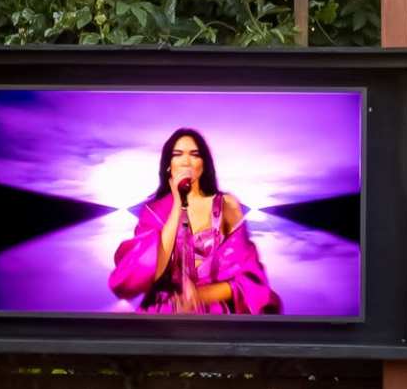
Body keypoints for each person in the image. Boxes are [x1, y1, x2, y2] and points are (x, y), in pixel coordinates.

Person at [110, 126, 281, 314]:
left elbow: (248, 279)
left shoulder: (226, 205)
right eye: (177, 154)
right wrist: (177, 203)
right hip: (162, 313)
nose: (186, 161)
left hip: (213, 314)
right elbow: (153, 272)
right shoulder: (153, 211)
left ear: (204, 163)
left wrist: (200, 296)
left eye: (194, 154)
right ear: (168, 164)